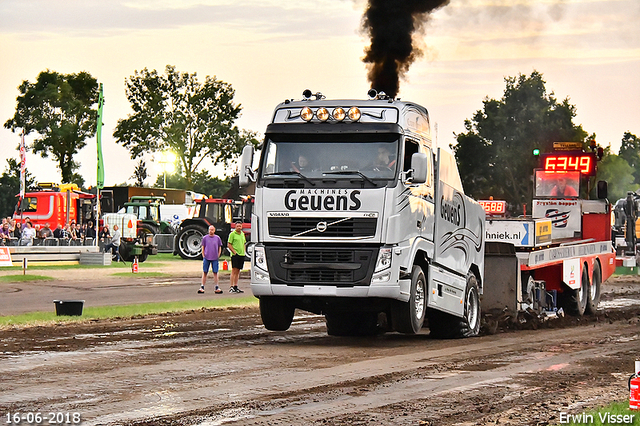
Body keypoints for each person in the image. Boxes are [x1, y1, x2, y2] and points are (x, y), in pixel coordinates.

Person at [198, 225, 224, 294]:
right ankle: (202, 286)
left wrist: (218, 255)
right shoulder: (205, 238)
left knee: (215, 272)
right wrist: (203, 255)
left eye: (212, 230)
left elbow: (219, 247)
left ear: (214, 230)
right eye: (210, 230)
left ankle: (217, 286)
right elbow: (203, 247)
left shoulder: (217, 238)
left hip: (215, 258)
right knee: (205, 272)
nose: (211, 231)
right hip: (207, 257)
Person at [227, 222, 246, 293]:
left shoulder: (242, 234)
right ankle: (231, 286)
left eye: (240, 226)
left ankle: (235, 285)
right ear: (235, 227)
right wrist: (234, 252)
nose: (239, 227)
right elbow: (229, 244)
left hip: (242, 254)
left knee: (238, 271)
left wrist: (244, 251)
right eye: (237, 226)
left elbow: (244, 243)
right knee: (234, 270)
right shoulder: (232, 234)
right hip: (235, 255)